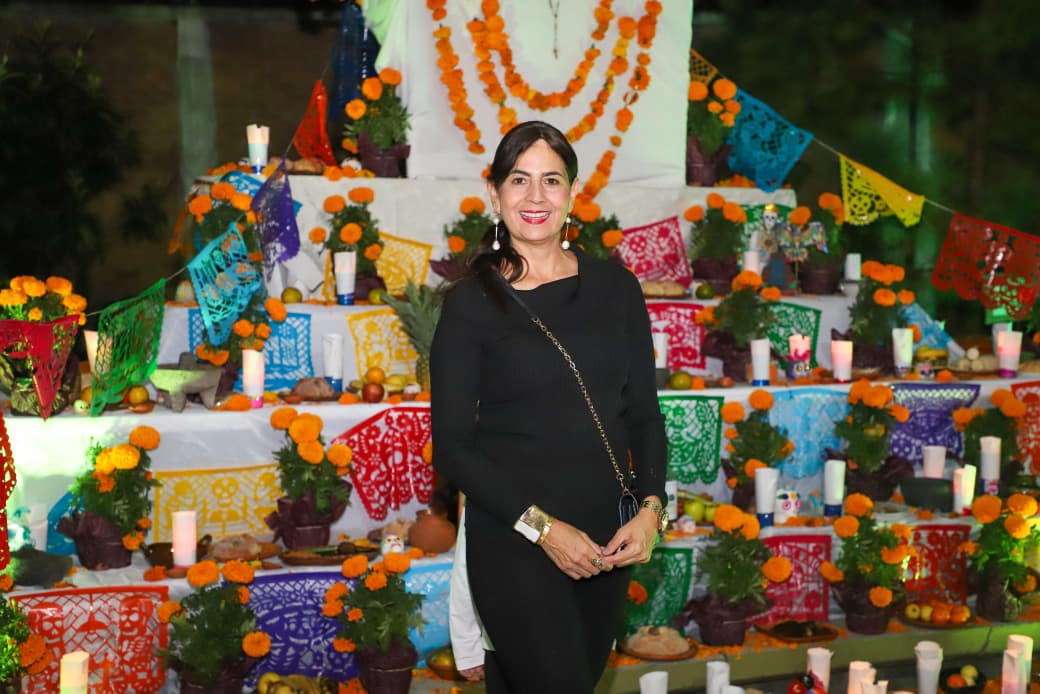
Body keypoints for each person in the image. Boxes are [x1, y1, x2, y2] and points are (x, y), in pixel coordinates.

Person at [431, 120, 668, 693]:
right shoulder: (471, 304)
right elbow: (453, 449)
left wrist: (651, 511)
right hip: (516, 538)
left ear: (572, 193)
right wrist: (545, 531)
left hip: (607, 542)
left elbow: (644, 413)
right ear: (495, 193)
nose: (535, 196)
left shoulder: (617, 288)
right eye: (519, 179)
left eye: (551, 180)